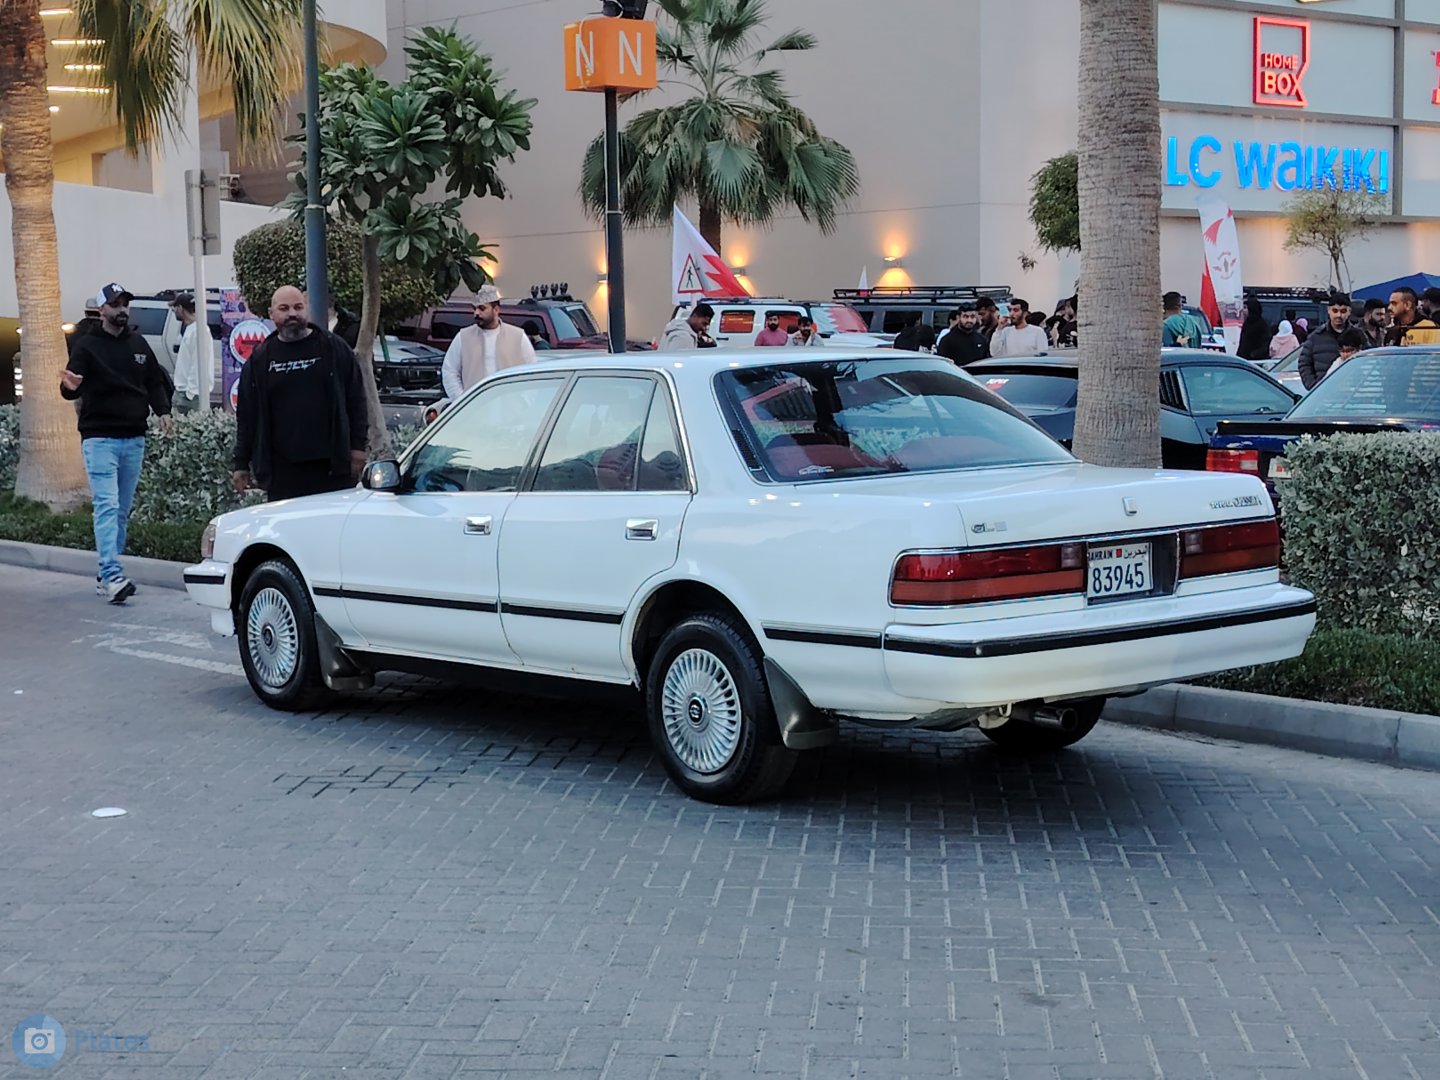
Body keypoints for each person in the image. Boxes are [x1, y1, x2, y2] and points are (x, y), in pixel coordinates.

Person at [59, 282, 175, 604]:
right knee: (107, 506)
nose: (122, 309)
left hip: (133, 438)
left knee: (121, 511)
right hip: (100, 438)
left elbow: (154, 380)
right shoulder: (86, 346)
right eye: (115, 304)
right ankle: (111, 575)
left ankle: (106, 573)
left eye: (125, 304)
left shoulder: (138, 343)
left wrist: (163, 411)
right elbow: (71, 387)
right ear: (101, 310)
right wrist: (69, 388)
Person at [232, 285, 369, 502]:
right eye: (284, 308)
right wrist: (241, 464)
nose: (292, 314)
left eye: (298, 307)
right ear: (271, 314)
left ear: (307, 309)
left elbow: (356, 400)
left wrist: (358, 448)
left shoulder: (334, 348)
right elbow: (247, 416)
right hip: (282, 471)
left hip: (331, 467)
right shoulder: (260, 360)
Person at [439, 284, 537, 400]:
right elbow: (449, 370)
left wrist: (524, 401)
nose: (476, 313)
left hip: (510, 410)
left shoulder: (517, 336)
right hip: (475, 409)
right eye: (474, 309)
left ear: (496, 310)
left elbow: (532, 372)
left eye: (482, 308)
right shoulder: (463, 337)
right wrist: (462, 400)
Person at [1297, 292, 1353, 391]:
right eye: (1335, 311)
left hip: (1351, 393)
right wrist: (1314, 387)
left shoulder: (1358, 336)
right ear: (1328, 310)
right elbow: (1304, 363)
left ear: (1349, 312)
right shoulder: (1316, 337)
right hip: (1324, 396)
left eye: (1343, 311)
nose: (1339, 315)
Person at [170, 293, 213, 414]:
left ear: (180, 308)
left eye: (175, 307)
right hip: (185, 392)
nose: (173, 311)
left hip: (191, 395)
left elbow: (199, 364)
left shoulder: (199, 330)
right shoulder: (192, 329)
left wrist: (190, 393)